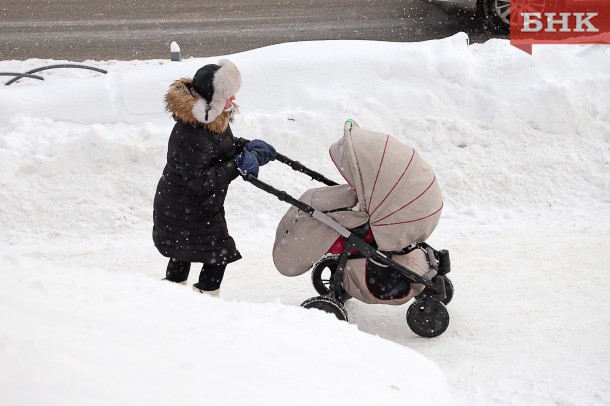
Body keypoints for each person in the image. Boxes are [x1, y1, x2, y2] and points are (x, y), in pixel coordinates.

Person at [152, 59, 276, 297]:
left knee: (183, 253)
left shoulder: (211, 120)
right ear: (213, 99)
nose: (233, 100)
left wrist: (245, 147)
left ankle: (171, 299)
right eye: (229, 96)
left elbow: (218, 148)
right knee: (218, 255)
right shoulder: (192, 133)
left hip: (191, 208)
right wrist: (237, 166)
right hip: (185, 209)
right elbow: (198, 181)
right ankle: (206, 305)